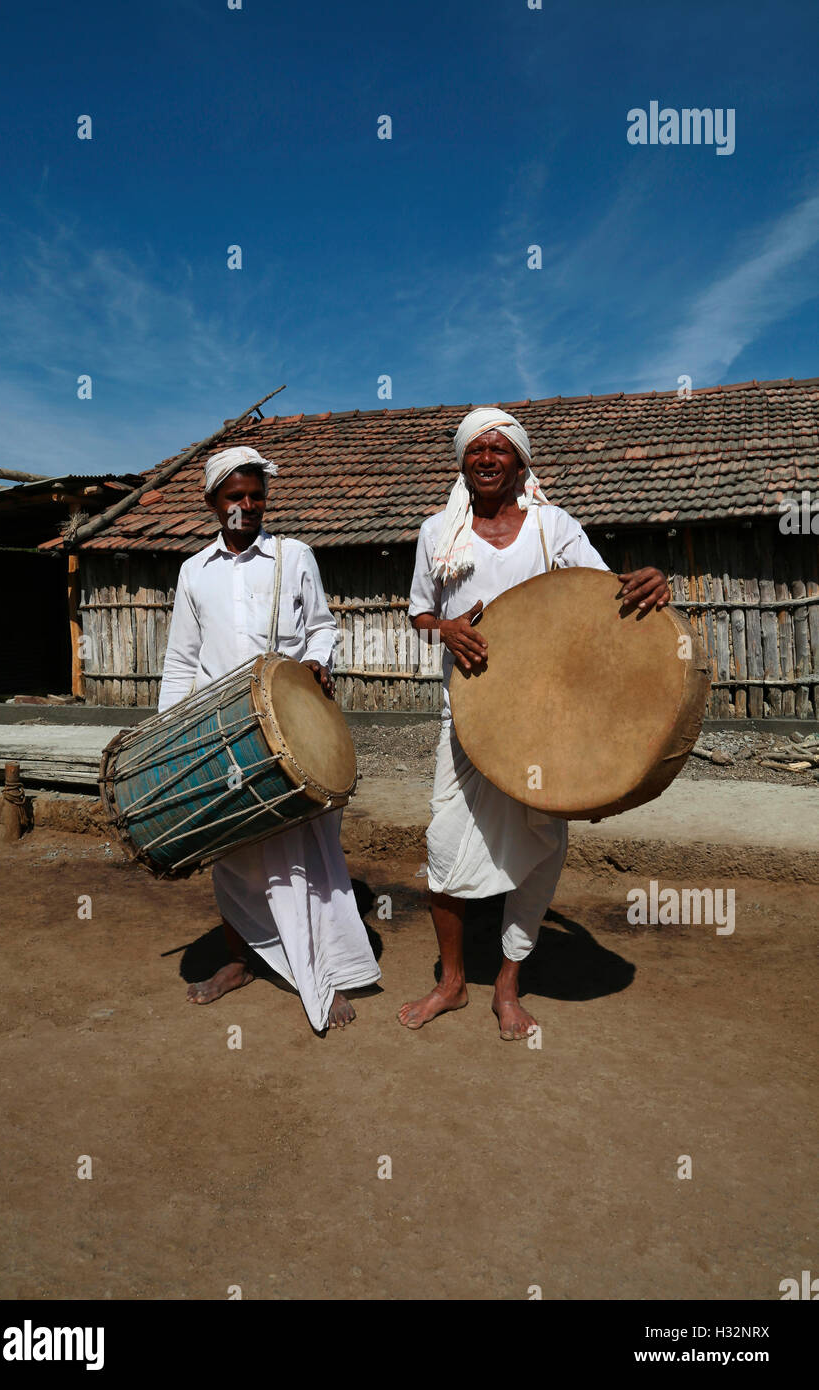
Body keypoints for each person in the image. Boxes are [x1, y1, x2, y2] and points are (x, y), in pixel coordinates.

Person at [397, 408, 670, 1040]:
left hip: (547, 724)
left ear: (521, 463)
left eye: (500, 449)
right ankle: (452, 982)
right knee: (443, 847)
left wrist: (651, 581)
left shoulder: (554, 527)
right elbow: (418, 615)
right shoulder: (437, 532)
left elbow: (605, 593)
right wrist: (445, 627)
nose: (487, 458)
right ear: (461, 461)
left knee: (539, 849)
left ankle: (508, 988)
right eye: (475, 450)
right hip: (468, 716)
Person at [158, 445, 381, 1032]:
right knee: (231, 856)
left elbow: (323, 627)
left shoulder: (293, 556)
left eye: (257, 495)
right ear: (212, 502)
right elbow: (182, 659)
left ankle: (322, 975)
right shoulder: (193, 572)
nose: (248, 505)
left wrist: (317, 662)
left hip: (290, 730)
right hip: (219, 732)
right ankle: (240, 961)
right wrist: (167, 738)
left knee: (305, 858)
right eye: (236, 496)